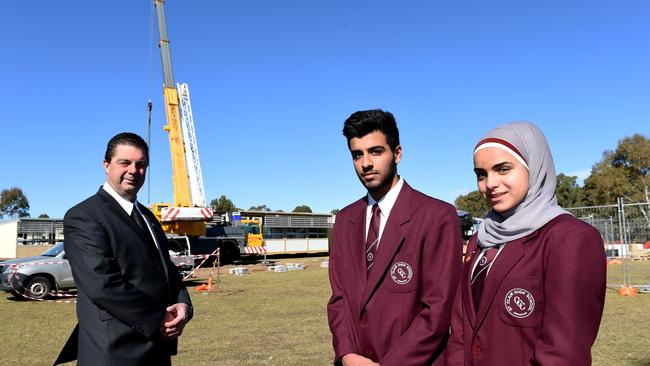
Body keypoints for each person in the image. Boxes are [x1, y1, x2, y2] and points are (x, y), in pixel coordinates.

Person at [444, 121, 606, 365]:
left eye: (503, 169)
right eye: (481, 174)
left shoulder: (570, 239)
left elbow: (563, 353)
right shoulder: (481, 238)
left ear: (534, 167)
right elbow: (460, 326)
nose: (490, 184)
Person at [327, 109, 462, 366]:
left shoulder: (437, 216)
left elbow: (437, 310)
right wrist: (346, 353)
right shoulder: (345, 219)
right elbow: (339, 298)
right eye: (357, 154)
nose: (366, 163)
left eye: (375, 151)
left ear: (397, 153)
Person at [54, 132, 193, 366]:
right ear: (106, 165)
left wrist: (184, 305)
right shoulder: (84, 216)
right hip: (115, 353)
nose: (133, 170)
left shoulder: (148, 217)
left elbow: (166, 270)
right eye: (124, 162)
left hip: (156, 351)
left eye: (141, 164)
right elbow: (102, 285)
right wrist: (160, 318)